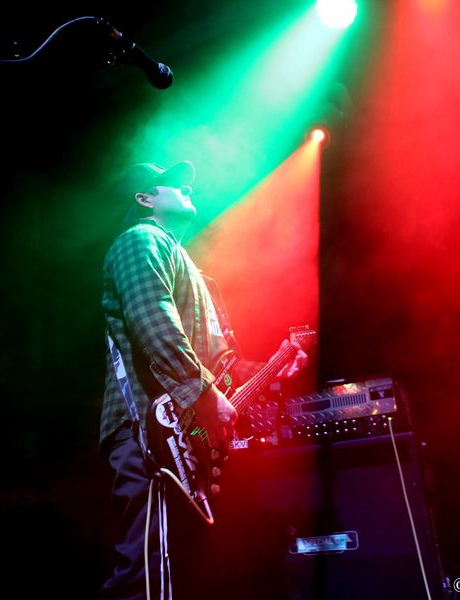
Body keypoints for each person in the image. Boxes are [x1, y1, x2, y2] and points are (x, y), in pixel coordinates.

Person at [98, 160, 308, 600]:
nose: (187, 187)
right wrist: (203, 394)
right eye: (173, 183)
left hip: (182, 434)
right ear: (144, 198)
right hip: (146, 426)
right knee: (146, 573)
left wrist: (273, 368)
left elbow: (219, 363)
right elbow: (152, 318)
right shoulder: (140, 240)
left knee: (181, 570)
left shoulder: (196, 274)